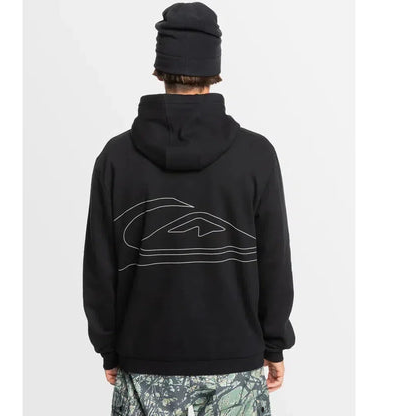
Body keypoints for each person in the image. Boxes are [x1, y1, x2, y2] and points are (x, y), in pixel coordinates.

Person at [83, 2, 295, 415]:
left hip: (145, 362)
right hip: (235, 367)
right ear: (215, 69)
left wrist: (108, 346)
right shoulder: (256, 156)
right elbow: (274, 260)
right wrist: (274, 343)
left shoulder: (116, 158)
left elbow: (99, 267)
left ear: (159, 69)